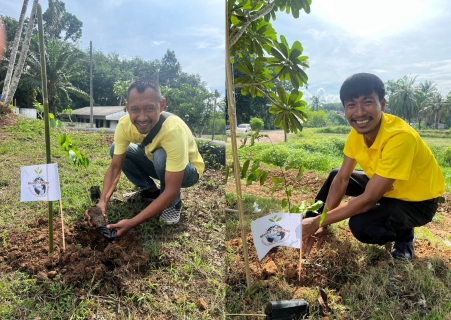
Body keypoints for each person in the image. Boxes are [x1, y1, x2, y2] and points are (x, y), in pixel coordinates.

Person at [302, 73, 445, 260]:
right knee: (335, 175)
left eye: (367, 102)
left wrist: (318, 221)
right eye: (351, 105)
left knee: (362, 225)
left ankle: (404, 234)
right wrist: (322, 223)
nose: (359, 112)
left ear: (382, 104)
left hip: (418, 202)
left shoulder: (400, 137)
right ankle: (308, 224)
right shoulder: (356, 134)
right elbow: (343, 178)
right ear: (344, 108)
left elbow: (369, 199)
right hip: (388, 189)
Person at [85, 77, 204, 237]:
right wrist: (102, 202)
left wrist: (132, 222)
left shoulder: (173, 129)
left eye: (149, 108)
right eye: (135, 109)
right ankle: (150, 191)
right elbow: (115, 168)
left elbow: (171, 189)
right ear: (127, 108)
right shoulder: (124, 125)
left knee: (162, 155)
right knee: (116, 149)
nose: (142, 117)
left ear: (161, 105)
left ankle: (173, 205)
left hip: (188, 171)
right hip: (154, 160)